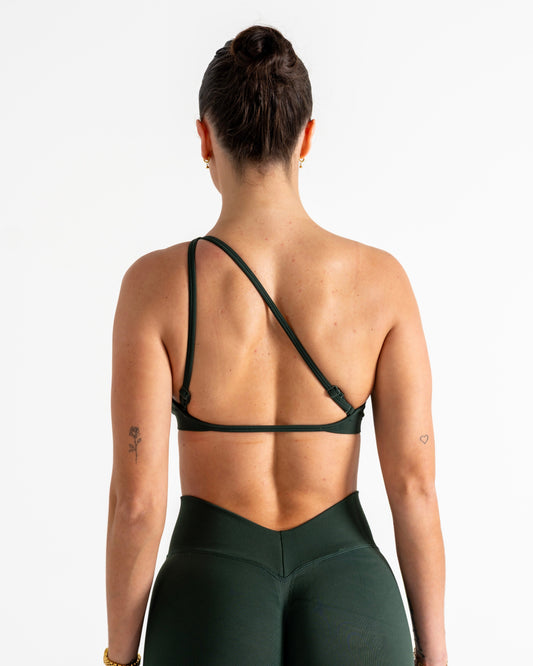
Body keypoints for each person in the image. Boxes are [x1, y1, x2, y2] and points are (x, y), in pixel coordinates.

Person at [104, 24, 447, 666]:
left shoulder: (155, 287)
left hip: (209, 596)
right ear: (306, 137)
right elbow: (414, 486)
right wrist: (436, 652)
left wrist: (118, 659)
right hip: (352, 595)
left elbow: (137, 505)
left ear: (205, 138)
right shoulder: (381, 282)